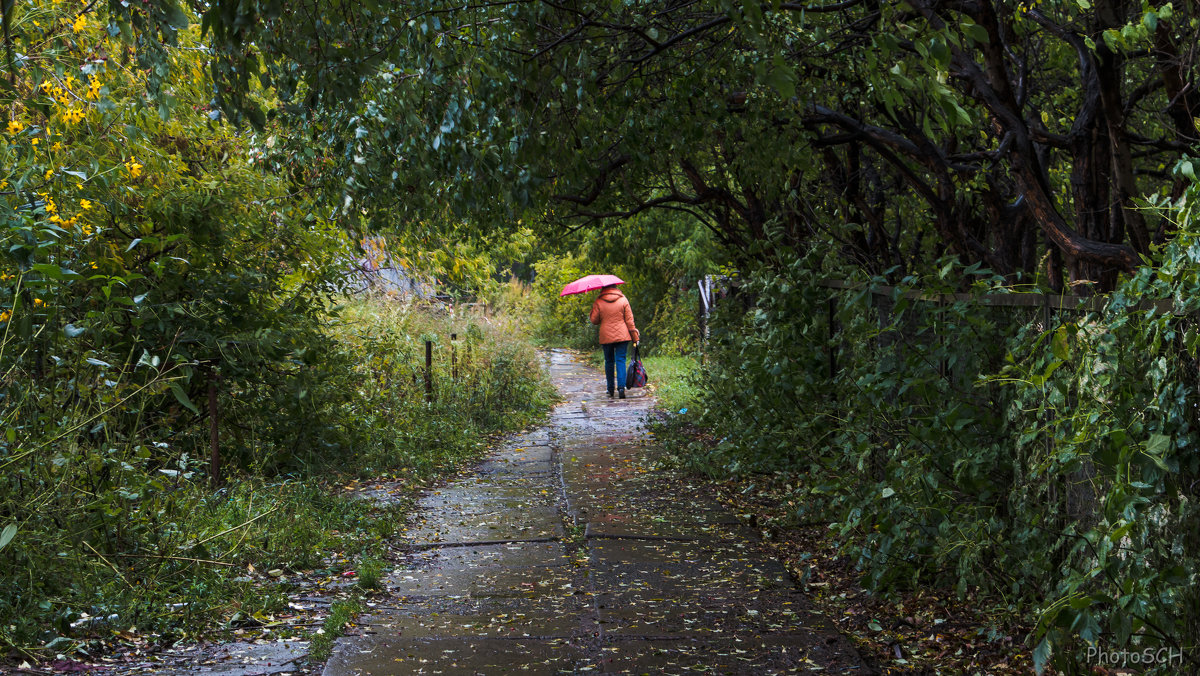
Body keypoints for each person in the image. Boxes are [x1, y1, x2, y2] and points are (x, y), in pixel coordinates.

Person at [590, 284, 640, 399]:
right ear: (615, 287)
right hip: (622, 335)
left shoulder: (599, 301)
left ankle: (610, 388)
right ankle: (621, 388)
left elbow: (594, 320)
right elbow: (629, 321)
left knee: (609, 361)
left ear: (603, 288)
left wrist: (593, 310)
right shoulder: (623, 299)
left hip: (606, 336)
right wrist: (635, 337)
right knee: (620, 360)